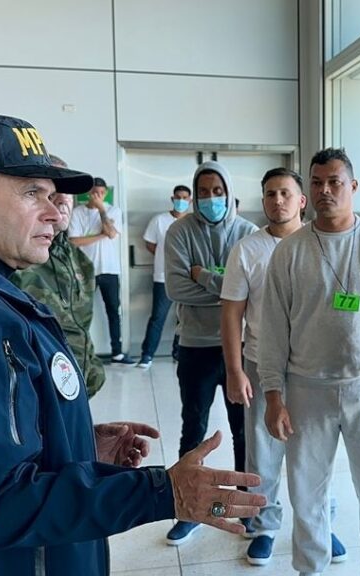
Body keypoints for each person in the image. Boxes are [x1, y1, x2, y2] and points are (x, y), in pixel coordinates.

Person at [0, 111, 266, 575]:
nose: (57, 213)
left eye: (54, 195)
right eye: (32, 192)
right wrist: (163, 492)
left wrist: (70, 446)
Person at [260, 148, 360, 576]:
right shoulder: (290, 251)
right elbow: (272, 330)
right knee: (307, 491)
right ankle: (310, 568)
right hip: (306, 386)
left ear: (353, 186)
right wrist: (274, 396)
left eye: (335, 182)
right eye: (317, 183)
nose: (325, 190)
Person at [164, 160, 258, 544]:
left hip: (240, 347)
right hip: (196, 347)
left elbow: (252, 292)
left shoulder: (248, 232)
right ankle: (188, 510)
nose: (210, 199)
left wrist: (201, 275)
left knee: (244, 432)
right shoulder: (179, 232)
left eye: (217, 191)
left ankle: (247, 507)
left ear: (229, 192)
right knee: (194, 428)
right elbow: (175, 289)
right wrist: (229, 290)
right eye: (203, 192)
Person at [222, 167, 307, 564]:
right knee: (264, 452)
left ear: (301, 200)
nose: (278, 200)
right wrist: (235, 370)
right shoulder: (247, 250)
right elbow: (231, 315)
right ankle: (265, 525)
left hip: (312, 368)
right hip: (260, 363)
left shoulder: (318, 244)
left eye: (286, 193)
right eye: (270, 193)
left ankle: (315, 524)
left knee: (313, 452)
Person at [13, 155, 106, 399]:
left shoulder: (79, 260)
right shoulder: (17, 258)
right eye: (53, 191)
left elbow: (80, 328)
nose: (63, 199)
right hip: (39, 396)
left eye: (68, 192)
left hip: (79, 387)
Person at [69, 177, 131, 364]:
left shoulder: (113, 210)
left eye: (101, 193)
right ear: (89, 193)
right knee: (81, 312)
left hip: (109, 270)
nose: (98, 196)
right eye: (95, 192)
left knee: (113, 311)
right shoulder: (78, 212)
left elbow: (112, 233)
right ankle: (81, 354)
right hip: (85, 270)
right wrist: (100, 235)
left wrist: (102, 209)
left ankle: (117, 352)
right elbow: (74, 241)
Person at [137, 184, 191, 369]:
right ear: (172, 199)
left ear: (190, 201)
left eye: (185, 198)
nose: (181, 201)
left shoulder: (193, 222)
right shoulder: (159, 220)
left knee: (185, 319)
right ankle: (147, 355)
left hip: (188, 278)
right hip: (163, 277)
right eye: (178, 197)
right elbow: (150, 245)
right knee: (158, 317)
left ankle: (178, 352)